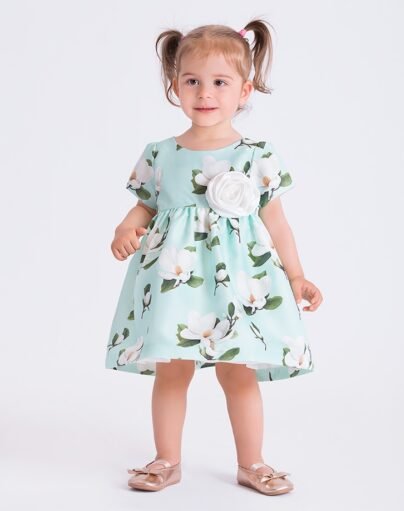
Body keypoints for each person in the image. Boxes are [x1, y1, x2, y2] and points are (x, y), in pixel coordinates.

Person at [105, 18, 323, 496]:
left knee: (238, 372)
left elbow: (277, 222)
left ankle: (252, 462)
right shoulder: (161, 153)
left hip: (238, 281)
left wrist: (297, 275)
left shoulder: (256, 154)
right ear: (175, 86)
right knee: (172, 369)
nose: (205, 93)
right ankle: (166, 459)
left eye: (220, 82)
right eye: (192, 81)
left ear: (244, 90)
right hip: (176, 280)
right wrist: (126, 228)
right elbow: (145, 206)